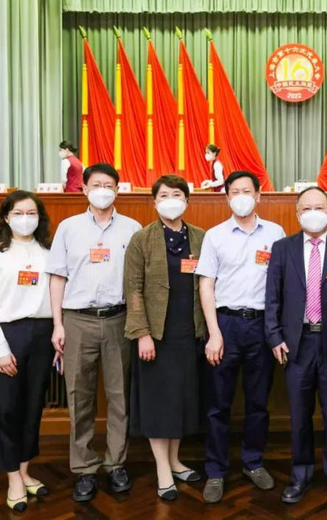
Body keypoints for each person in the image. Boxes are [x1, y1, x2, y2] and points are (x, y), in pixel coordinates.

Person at [46, 163, 142, 503]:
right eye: (96, 184)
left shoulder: (132, 228)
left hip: (119, 320)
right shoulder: (68, 228)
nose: (103, 190)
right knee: (79, 396)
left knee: (120, 396)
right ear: (84, 189)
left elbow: (138, 281)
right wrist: (58, 324)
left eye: (109, 185)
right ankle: (85, 468)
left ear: (118, 189)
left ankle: (116, 463)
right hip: (77, 320)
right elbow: (57, 277)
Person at [265, 187, 327, 504]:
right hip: (297, 344)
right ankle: (300, 475)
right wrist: (274, 336)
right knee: (299, 415)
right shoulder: (282, 248)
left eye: (319, 207)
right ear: (297, 214)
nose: (313, 213)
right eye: (306, 208)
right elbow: (272, 296)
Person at [195, 170, 286, 503]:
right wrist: (214, 333)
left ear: (259, 195)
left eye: (247, 191)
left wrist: (276, 331)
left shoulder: (275, 233)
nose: (241, 196)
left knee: (258, 402)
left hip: (262, 326)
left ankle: (253, 462)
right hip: (226, 325)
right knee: (218, 404)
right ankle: (216, 470)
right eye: (235, 191)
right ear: (227, 196)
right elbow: (206, 285)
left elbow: (282, 284)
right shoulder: (215, 236)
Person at [124, 174, 206, 502]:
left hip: (189, 333)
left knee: (180, 401)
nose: (171, 200)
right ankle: (162, 469)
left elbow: (207, 283)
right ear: (154, 201)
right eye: (164, 195)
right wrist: (142, 334)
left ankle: (175, 460)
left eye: (177, 194)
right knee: (159, 403)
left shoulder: (200, 237)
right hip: (156, 335)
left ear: (187, 200)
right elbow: (133, 289)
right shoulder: (141, 239)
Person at [0, 191, 57, 513]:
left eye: (32, 213)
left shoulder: (50, 253)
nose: (26, 219)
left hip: (43, 334)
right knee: (8, 408)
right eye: (18, 213)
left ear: (40, 217)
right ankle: (12, 476)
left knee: (34, 406)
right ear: (6, 218)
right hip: (8, 334)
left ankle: (24, 470)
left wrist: (58, 336)